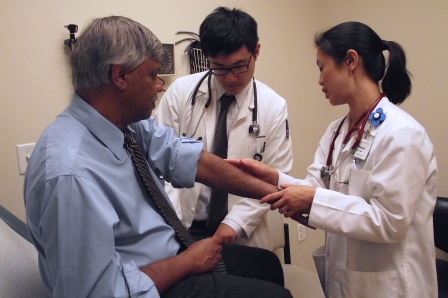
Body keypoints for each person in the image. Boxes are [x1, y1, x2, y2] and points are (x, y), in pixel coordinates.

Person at [23, 16, 292, 298]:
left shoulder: (126, 123)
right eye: (153, 75)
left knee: (267, 266)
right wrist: (186, 263)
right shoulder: (70, 175)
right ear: (120, 76)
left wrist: (279, 192)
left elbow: (187, 158)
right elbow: (98, 293)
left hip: (169, 250)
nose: (160, 85)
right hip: (145, 282)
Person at [229, 21, 438, 297]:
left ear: (350, 61)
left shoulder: (402, 134)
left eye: (321, 67)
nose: (319, 80)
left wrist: (312, 199)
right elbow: (317, 187)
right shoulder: (337, 132)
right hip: (346, 280)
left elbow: (390, 221)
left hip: (393, 286)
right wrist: (275, 178)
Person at [154, 7, 292, 250]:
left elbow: (275, 176)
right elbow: (158, 162)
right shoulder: (180, 93)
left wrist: (234, 222)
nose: (230, 78)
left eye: (239, 66)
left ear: (256, 52)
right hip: (182, 226)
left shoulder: (274, 107)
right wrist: (173, 222)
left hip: (240, 232)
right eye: (219, 67)